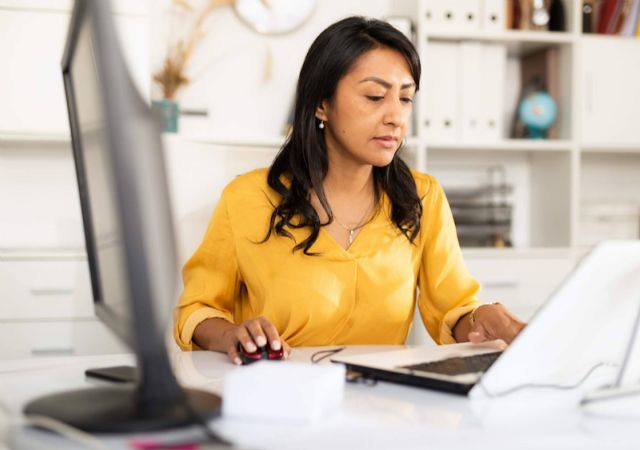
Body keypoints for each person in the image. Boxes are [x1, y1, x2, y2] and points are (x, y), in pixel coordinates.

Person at [174, 16, 525, 365]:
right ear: (321, 103)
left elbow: (453, 310)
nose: (396, 117)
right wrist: (231, 334)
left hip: (381, 402)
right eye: (374, 96)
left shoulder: (422, 198)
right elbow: (197, 309)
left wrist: (483, 319)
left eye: (405, 99)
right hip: (279, 396)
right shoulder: (246, 197)